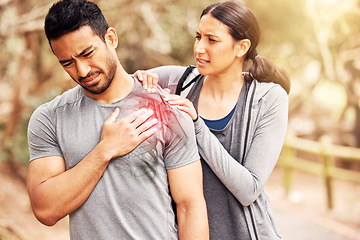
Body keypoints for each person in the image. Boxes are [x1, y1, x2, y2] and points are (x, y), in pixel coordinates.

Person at [26, 0, 209, 239]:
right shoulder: (50, 118)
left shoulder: (166, 109)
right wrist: (105, 150)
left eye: (87, 53)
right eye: (67, 63)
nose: (81, 71)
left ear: (111, 38)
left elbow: (190, 207)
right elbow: (45, 209)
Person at [134, 1, 290, 239]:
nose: (199, 48)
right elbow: (123, 89)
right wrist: (140, 79)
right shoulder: (181, 82)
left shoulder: (268, 99)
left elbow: (249, 189)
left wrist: (197, 126)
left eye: (211, 40)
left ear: (241, 47)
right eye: (198, 37)